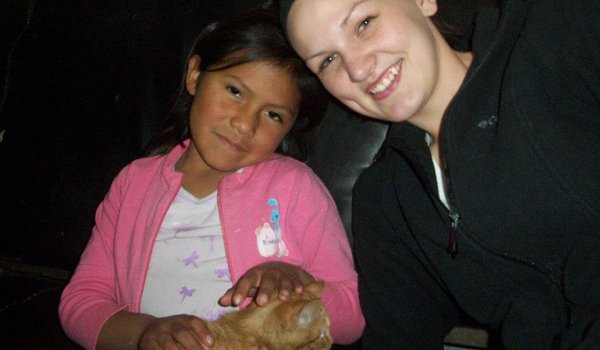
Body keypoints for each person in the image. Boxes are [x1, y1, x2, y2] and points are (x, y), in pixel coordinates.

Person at [279, 0, 600, 348]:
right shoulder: (388, 201)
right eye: (327, 61)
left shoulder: (556, 34)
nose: (357, 69)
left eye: (364, 23)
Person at [59, 8, 364, 350]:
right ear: (195, 75)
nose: (246, 125)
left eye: (273, 114)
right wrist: (143, 333)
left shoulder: (296, 187)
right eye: (235, 91)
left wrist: (301, 285)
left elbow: (353, 315)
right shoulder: (134, 183)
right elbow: (81, 301)